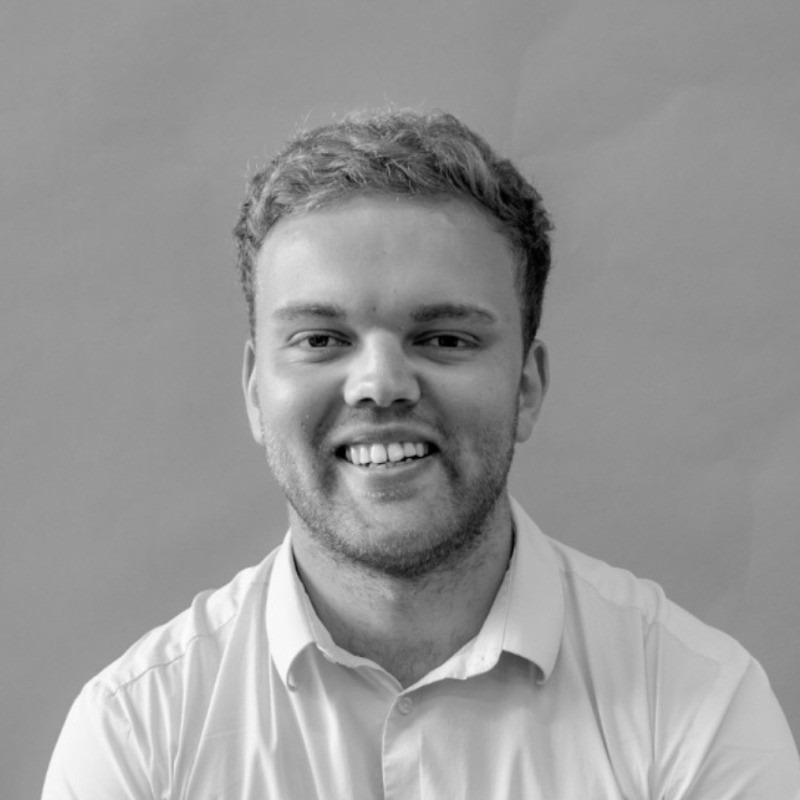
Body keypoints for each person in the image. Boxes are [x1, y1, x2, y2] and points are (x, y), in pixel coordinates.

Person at [43, 109, 800, 799]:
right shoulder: (137, 735)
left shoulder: (698, 707)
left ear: (526, 386)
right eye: (320, 340)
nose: (380, 384)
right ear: (253, 391)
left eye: (444, 338)